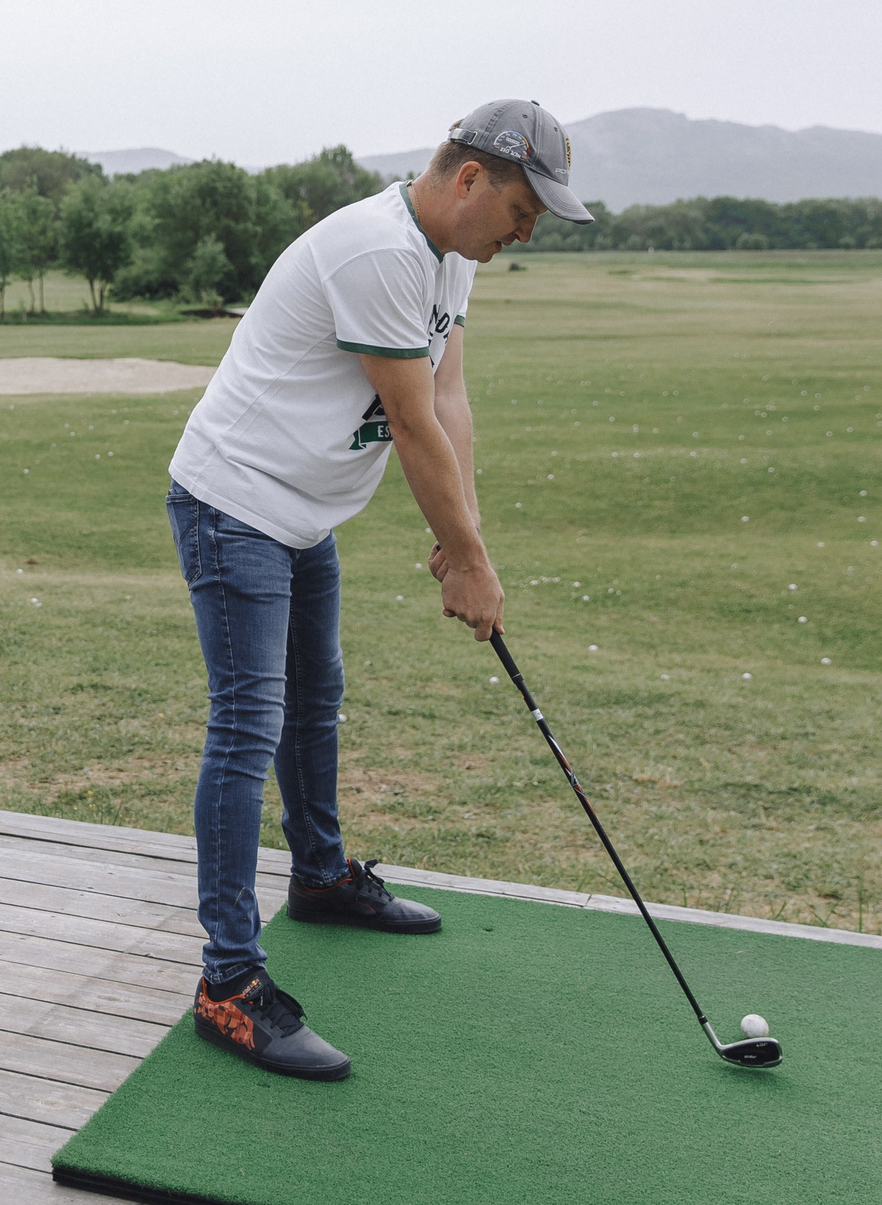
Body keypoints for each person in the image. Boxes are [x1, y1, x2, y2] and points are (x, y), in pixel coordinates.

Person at [164, 99, 594, 1079]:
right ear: (470, 179)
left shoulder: (450, 256)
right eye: (523, 210)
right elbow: (407, 422)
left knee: (316, 699)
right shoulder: (378, 251)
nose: (526, 234)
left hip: (301, 511)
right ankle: (226, 984)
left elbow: (448, 397)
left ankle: (317, 880)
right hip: (235, 502)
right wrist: (469, 563)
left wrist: (465, 542)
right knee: (247, 724)